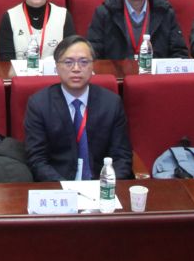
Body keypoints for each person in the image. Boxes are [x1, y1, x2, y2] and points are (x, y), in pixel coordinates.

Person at [23, 36, 131, 181]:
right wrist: (66, 189)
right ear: (57, 67)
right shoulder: (39, 104)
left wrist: (107, 185)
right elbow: (37, 160)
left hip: (101, 185)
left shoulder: (111, 103)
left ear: (92, 66)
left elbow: (122, 157)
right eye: (68, 62)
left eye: (84, 62)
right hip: (57, 185)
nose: (76, 69)